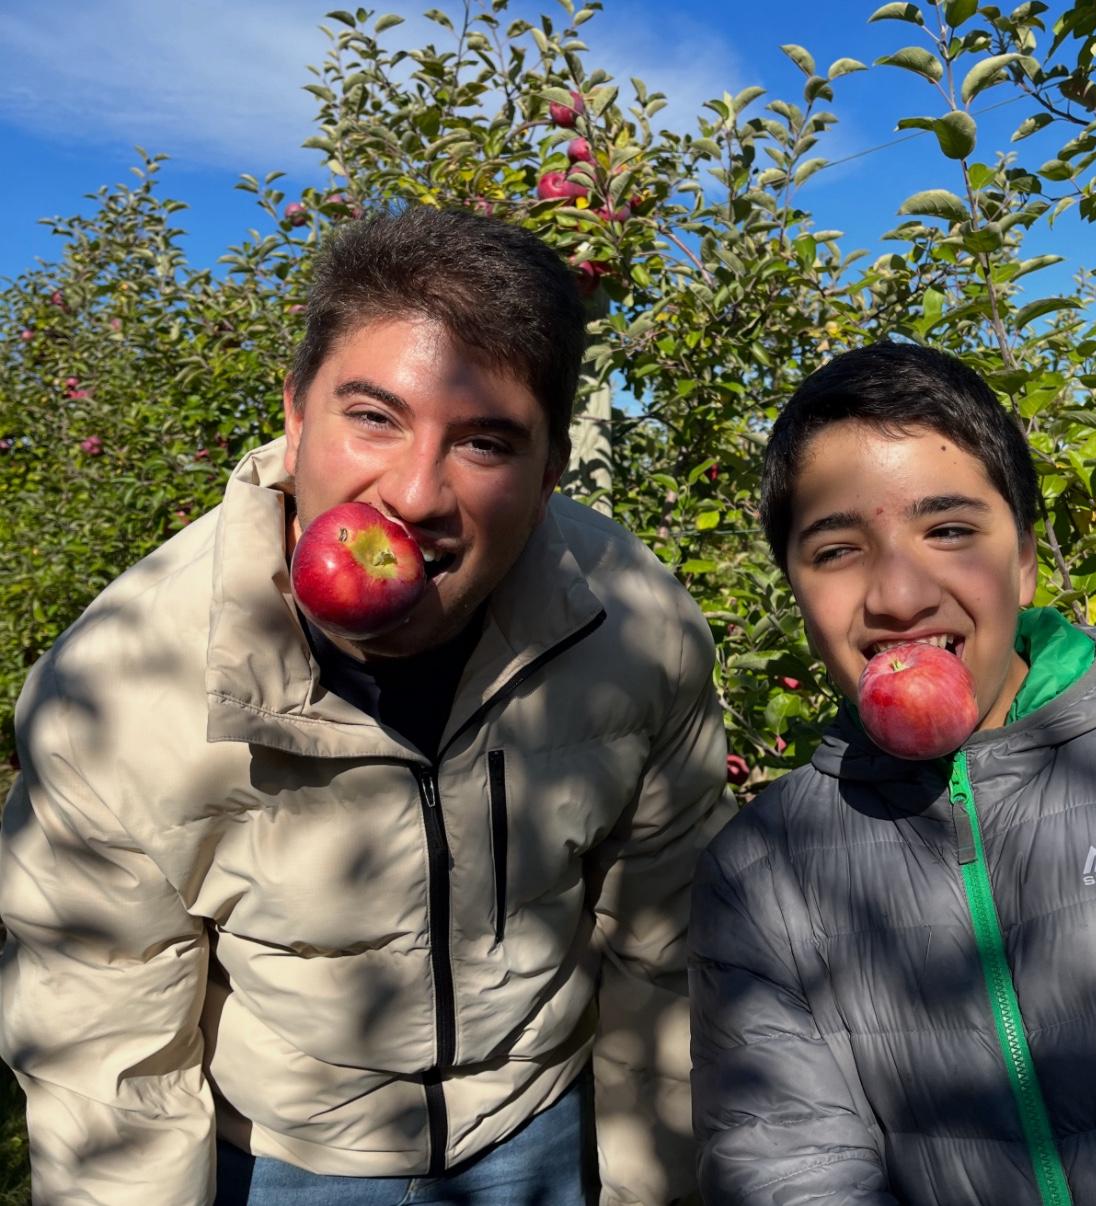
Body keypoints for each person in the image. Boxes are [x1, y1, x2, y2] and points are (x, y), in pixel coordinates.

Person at [0, 206, 731, 1205]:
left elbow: (666, 946)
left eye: (486, 442)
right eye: (374, 418)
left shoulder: (633, 626)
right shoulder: (123, 686)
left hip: (540, 1126)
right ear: (296, 416)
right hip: (286, 1158)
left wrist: (650, 1187)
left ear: (550, 473)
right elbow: (107, 1052)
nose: (416, 494)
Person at [688, 340, 1096, 1205]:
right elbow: (789, 1173)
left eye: (950, 531)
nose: (899, 596)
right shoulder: (761, 872)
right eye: (837, 550)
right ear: (796, 592)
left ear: (1026, 561)